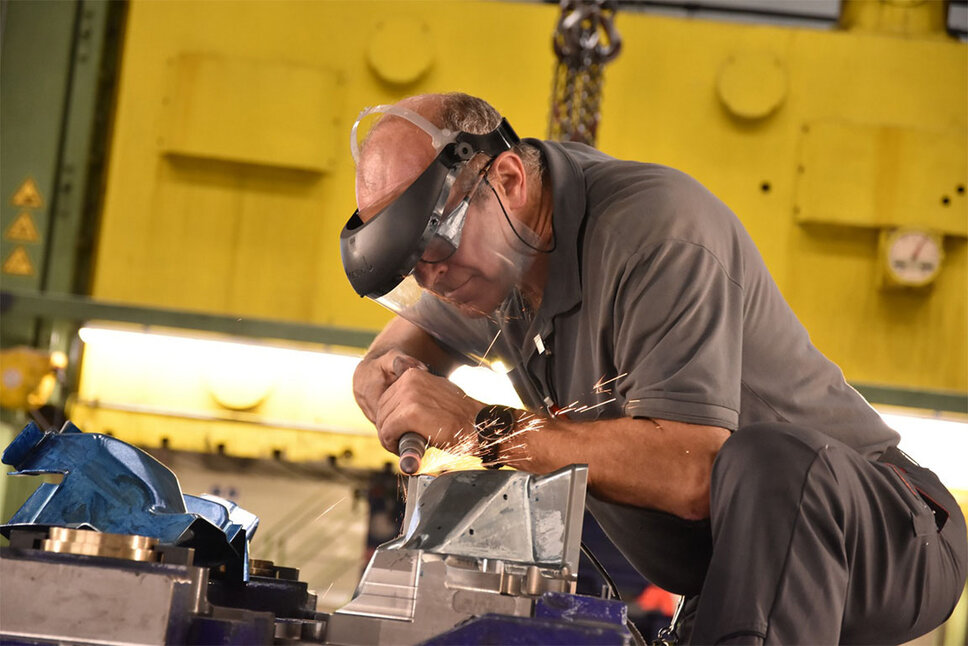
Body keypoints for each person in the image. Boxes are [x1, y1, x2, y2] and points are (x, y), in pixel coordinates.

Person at [339, 92, 966, 644]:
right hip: (732, 568)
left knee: (766, 460)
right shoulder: (491, 263)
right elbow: (393, 358)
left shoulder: (657, 233)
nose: (432, 281)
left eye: (436, 251)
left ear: (507, 180)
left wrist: (486, 430)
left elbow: (693, 470)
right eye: (411, 272)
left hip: (890, 535)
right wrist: (382, 385)